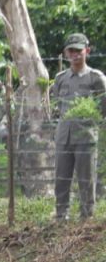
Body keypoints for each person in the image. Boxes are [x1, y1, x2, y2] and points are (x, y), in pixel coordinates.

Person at [50, 33, 106, 221]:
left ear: (87, 51)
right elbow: (58, 103)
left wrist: (91, 123)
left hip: (85, 136)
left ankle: (86, 218)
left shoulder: (96, 78)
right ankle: (61, 216)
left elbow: (103, 106)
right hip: (63, 136)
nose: (75, 54)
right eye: (71, 50)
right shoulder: (60, 79)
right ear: (66, 53)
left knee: (86, 179)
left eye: (78, 50)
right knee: (61, 178)